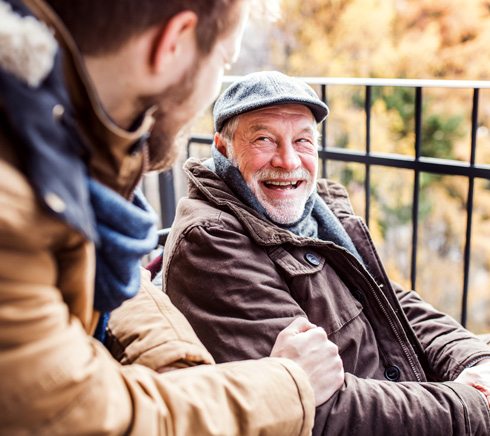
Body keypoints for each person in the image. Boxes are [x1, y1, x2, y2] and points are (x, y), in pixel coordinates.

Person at [0, 1, 344, 434]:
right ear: (174, 43)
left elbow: (113, 281)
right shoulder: (12, 204)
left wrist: (180, 366)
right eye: (224, 60)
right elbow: (80, 415)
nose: (289, 158)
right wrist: (288, 385)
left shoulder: (47, 138)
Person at [163, 71, 490, 436]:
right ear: (222, 148)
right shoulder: (211, 243)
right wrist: (471, 405)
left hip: (407, 395)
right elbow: (317, 411)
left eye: (302, 140)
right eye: (264, 139)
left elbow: (386, 297)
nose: (288, 161)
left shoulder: (315, 209)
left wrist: (474, 360)